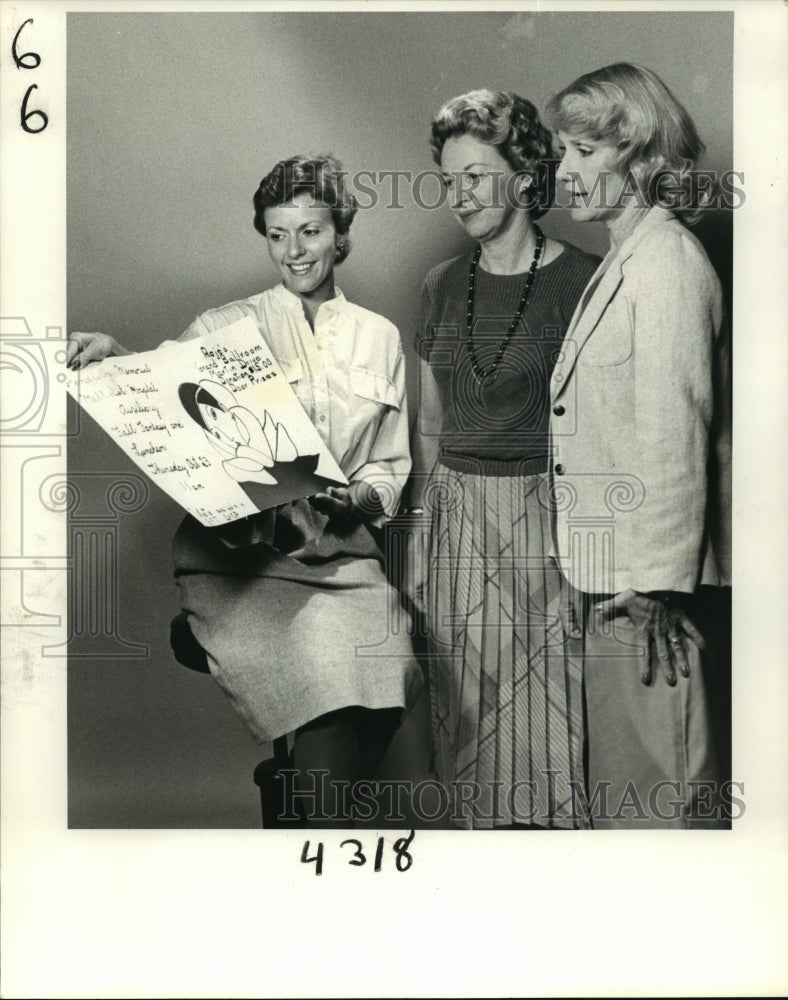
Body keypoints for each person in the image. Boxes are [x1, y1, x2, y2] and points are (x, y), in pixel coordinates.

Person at [67, 154, 423, 828]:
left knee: (387, 675)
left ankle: (295, 800)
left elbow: (387, 464)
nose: (294, 251)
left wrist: (362, 500)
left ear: (341, 232)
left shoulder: (380, 337)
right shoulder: (227, 325)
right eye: (277, 233)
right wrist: (116, 355)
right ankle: (315, 841)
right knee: (329, 681)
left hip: (343, 557)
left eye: (311, 231)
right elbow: (164, 390)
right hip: (240, 562)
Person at [403, 90, 600, 829]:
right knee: (467, 719)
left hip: (544, 521)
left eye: (476, 177)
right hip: (455, 514)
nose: (459, 197)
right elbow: (429, 426)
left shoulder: (584, 281)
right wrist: (422, 527)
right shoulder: (439, 286)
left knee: (549, 721)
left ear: (523, 175)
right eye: (449, 181)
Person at [545, 63, 732, 828]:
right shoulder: (628, 257)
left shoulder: (666, 264)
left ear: (640, 154)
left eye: (584, 153)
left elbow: (674, 434)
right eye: (563, 152)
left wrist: (656, 584)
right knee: (628, 800)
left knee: (662, 801)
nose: (565, 172)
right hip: (612, 580)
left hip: (644, 589)